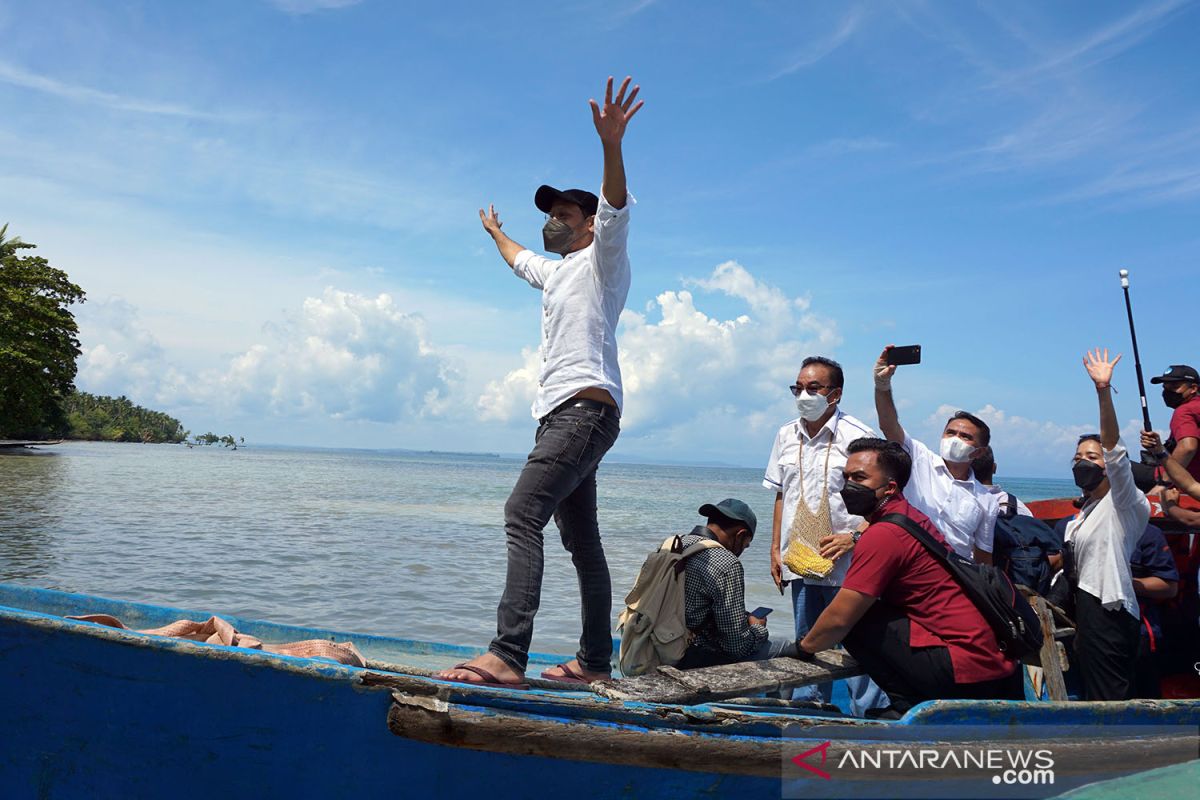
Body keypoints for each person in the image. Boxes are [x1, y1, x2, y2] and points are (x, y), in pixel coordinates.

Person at [435, 77, 644, 689]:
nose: (554, 223)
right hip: (566, 414)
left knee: (521, 512)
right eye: (549, 216)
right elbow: (519, 258)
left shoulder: (602, 262)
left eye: (563, 215)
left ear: (586, 225)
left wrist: (611, 144)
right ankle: (595, 664)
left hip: (583, 409)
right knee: (582, 542)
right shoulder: (556, 275)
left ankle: (507, 654)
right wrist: (495, 232)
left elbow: (616, 206)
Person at [795, 438, 1022, 716]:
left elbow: (840, 618)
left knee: (858, 619)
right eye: (846, 477)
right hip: (997, 663)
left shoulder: (882, 535)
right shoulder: (913, 517)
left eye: (860, 477)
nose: (848, 486)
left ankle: (906, 705)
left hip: (967, 670)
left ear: (890, 488)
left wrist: (803, 648)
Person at [762, 356, 888, 714]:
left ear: (835, 394)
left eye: (813, 387)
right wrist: (775, 548)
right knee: (808, 640)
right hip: (801, 556)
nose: (804, 394)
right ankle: (809, 712)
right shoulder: (786, 434)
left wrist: (856, 537)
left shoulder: (859, 438)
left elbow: (884, 498)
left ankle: (871, 717)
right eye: (798, 387)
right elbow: (781, 494)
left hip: (848, 560)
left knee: (857, 642)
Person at [1060, 349, 1152, 701]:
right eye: (1078, 456)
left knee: (1109, 698)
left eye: (1092, 457)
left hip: (1108, 609)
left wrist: (1103, 391)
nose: (1083, 462)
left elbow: (1113, 448)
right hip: (1086, 608)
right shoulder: (1082, 515)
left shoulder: (1124, 502)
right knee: (1092, 693)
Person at [873, 346, 996, 564]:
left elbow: (983, 556)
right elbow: (889, 425)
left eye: (965, 436)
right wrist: (882, 385)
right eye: (950, 432)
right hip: (904, 567)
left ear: (979, 452)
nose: (954, 439)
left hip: (949, 581)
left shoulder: (987, 501)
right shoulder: (920, 459)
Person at [1054, 516, 1179, 698]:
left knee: (1142, 700)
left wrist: (1119, 579)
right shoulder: (1068, 527)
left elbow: (1169, 587)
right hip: (1082, 632)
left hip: (1136, 634)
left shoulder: (1146, 533)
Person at [675, 499, 798, 669]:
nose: (742, 552)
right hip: (695, 655)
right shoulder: (726, 563)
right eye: (745, 546)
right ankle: (778, 697)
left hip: (658, 645)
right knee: (784, 648)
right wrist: (758, 629)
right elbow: (737, 647)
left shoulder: (675, 545)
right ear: (740, 535)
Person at [1143, 364, 1200, 483]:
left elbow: (1188, 447)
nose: (1167, 392)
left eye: (1174, 387)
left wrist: (1166, 480)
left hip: (1187, 483)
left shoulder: (1185, 410)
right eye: (1165, 387)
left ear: (1193, 388)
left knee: (1113, 464)